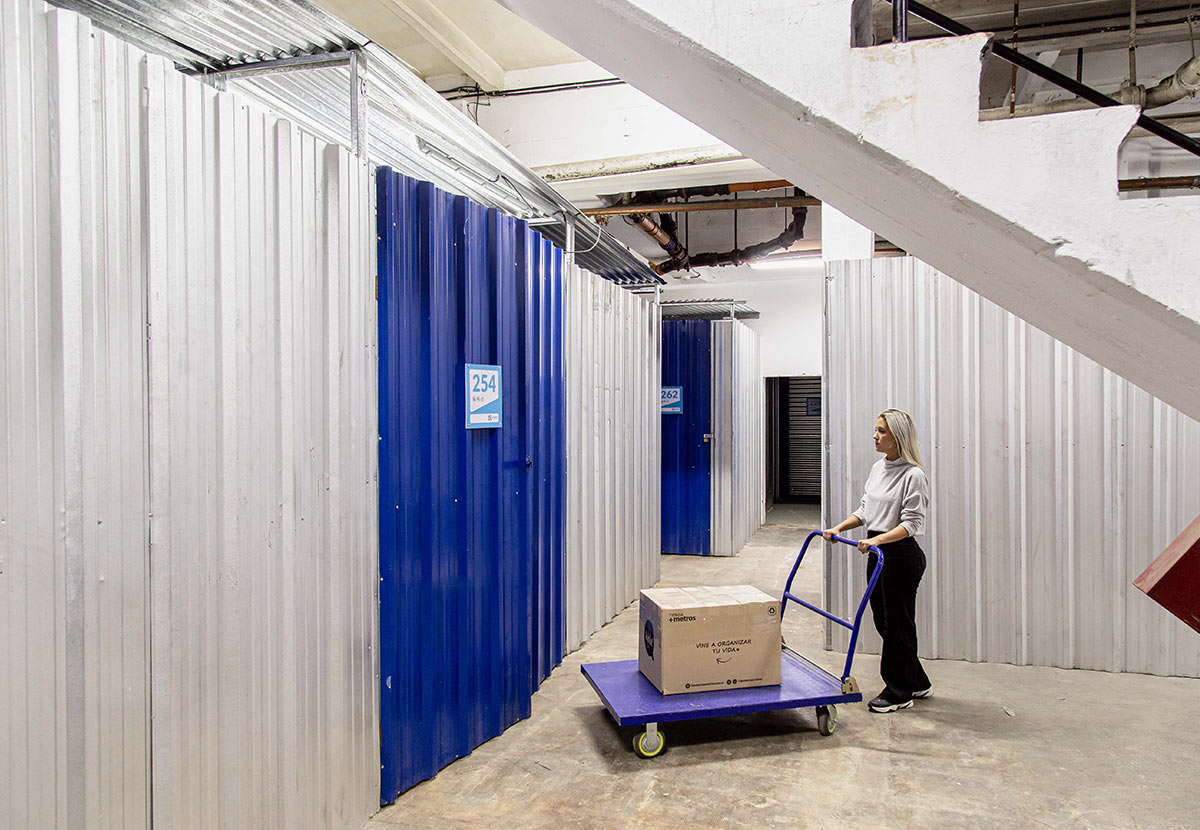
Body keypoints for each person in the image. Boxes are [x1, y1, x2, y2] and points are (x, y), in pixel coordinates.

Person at [823, 408, 932, 713]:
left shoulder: (914, 476)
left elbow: (911, 524)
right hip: (878, 553)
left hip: (900, 555)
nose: (875, 436)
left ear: (899, 437)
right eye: (876, 429)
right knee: (884, 620)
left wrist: (877, 540)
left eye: (882, 431)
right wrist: (840, 528)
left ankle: (900, 692)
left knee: (899, 623)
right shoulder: (878, 468)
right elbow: (865, 509)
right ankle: (918, 680)